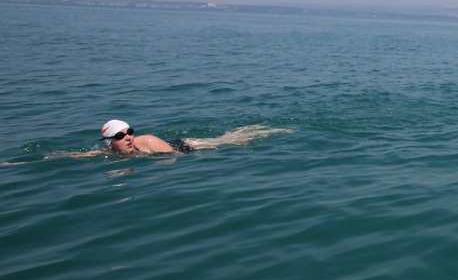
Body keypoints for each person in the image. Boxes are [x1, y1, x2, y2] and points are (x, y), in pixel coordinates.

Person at [46, 119, 288, 158]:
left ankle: (267, 129)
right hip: (171, 149)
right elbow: (80, 155)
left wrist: (200, 158)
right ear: (111, 142)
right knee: (231, 138)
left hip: (183, 146)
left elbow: (174, 155)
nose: (129, 137)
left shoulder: (147, 140)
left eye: (130, 131)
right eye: (121, 136)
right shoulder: (109, 153)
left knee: (234, 141)